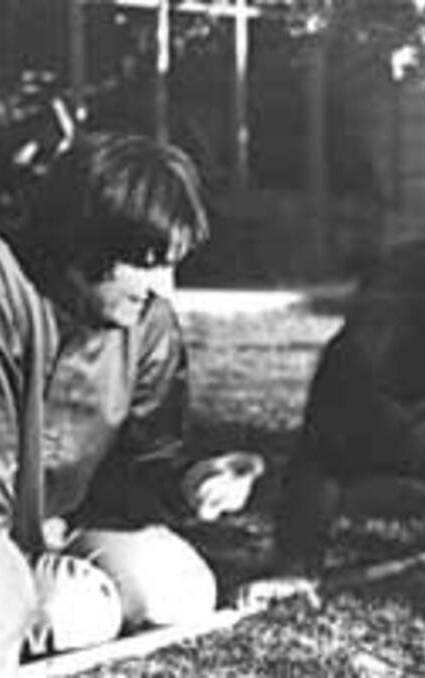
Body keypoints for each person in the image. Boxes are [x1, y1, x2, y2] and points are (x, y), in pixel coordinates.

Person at [0, 131, 262, 674]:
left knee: (175, 591)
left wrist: (187, 485)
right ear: (83, 245)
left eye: (171, 263)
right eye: (146, 263)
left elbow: (138, 468)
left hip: (53, 527)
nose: (163, 287)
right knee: (31, 607)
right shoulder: (7, 291)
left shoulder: (149, 325)